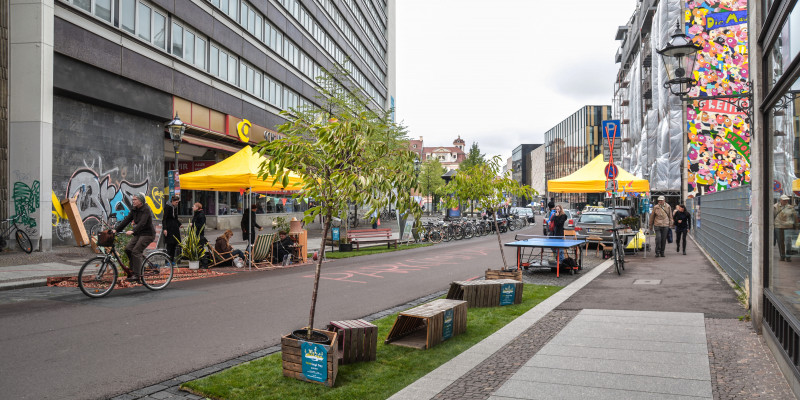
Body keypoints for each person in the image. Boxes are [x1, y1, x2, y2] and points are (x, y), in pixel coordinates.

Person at [113, 193, 155, 282]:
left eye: (135, 199)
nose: (133, 201)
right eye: (133, 200)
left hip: (147, 234)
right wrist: (116, 230)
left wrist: (133, 231)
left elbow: (142, 223)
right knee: (128, 249)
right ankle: (133, 270)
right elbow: (127, 220)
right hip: (138, 233)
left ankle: (137, 275)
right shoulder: (134, 209)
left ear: (141, 201)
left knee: (136, 251)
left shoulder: (146, 209)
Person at [775, 194, 797, 261]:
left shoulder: (791, 207)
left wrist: (795, 226)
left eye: (786, 200)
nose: (785, 201)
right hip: (778, 226)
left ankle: (788, 256)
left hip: (788, 226)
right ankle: (782, 256)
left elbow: (794, 217)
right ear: (780, 200)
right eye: (784, 200)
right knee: (780, 242)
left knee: (788, 242)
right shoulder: (775, 207)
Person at [162, 195, 181, 265]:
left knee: (174, 244)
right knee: (169, 245)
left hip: (175, 227)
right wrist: (165, 229)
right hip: (169, 227)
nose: (177, 204)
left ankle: (172, 260)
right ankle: (167, 261)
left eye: (178, 202)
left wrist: (179, 224)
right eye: (176, 202)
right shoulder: (167, 207)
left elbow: (175, 217)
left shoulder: (175, 207)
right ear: (172, 201)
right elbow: (164, 218)